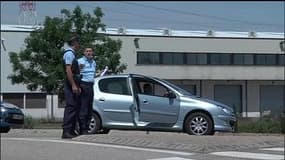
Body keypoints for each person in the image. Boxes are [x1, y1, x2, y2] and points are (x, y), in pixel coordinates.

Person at [62, 35, 81, 139]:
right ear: (75, 43)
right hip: (70, 83)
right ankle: (66, 131)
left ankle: (71, 130)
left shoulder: (73, 54)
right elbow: (68, 70)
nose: (79, 45)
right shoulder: (69, 54)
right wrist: (73, 85)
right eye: (78, 43)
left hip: (74, 82)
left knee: (74, 107)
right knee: (70, 107)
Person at [77, 47, 96, 135]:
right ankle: (82, 128)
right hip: (83, 85)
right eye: (87, 51)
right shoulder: (80, 61)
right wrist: (78, 86)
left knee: (89, 108)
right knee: (83, 108)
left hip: (91, 85)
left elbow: (92, 74)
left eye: (90, 51)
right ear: (84, 52)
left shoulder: (93, 62)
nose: (89, 53)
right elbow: (77, 74)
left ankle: (87, 128)